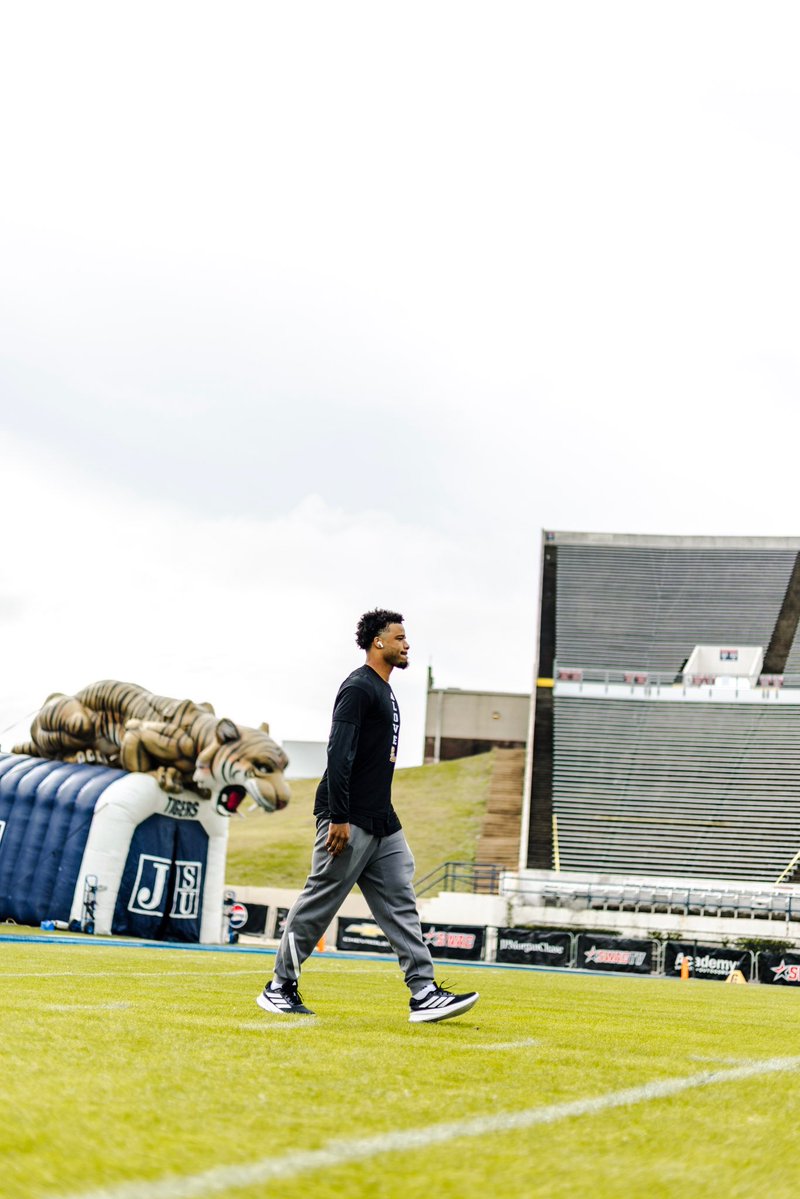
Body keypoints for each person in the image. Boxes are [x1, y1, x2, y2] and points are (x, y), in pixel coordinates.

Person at [257, 608, 479, 1023]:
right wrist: (338, 817)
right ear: (378, 642)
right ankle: (279, 987)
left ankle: (424, 993)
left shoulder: (385, 690)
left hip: (381, 819)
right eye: (399, 638)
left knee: (400, 901)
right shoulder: (358, 687)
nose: (406, 644)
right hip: (347, 816)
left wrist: (384, 817)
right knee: (320, 901)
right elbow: (339, 753)